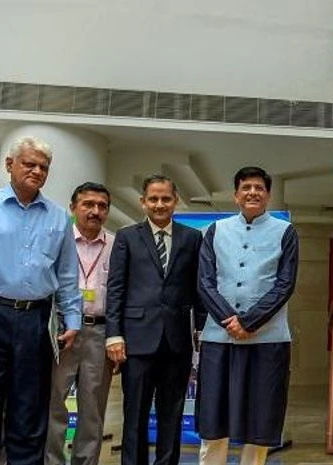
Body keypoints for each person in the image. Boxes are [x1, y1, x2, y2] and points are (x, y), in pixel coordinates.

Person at [0, 136, 82, 465]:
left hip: (35, 320)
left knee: (29, 410)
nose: (37, 171)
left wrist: (72, 318)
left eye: (43, 167)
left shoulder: (59, 217)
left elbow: (67, 274)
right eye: (29, 164)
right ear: (9, 165)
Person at [195, 166, 299, 465]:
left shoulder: (285, 232)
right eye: (246, 187)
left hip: (267, 340)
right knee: (214, 414)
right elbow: (205, 281)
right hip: (219, 338)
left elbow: (285, 284)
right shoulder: (216, 230)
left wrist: (250, 322)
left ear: (268, 195)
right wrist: (230, 321)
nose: (253, 192)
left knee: (260, 417)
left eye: (259, 188)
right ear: (236, 195)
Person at [105, 174, 204, 465]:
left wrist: (201, 328)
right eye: (153, 199)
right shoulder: (126, 237)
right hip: (136, 341)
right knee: (134, 413)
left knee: (171, 414)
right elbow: (116, 288)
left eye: (166, 199)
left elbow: (198, 288)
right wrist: (113, 334)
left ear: (176, 201)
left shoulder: (192, 238)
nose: (160, 204)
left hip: (177, 341)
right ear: (143, 202)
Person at [45, 182, 114, 465]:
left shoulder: (116, 245)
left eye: (102, 206)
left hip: (100, 332)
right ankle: (51, 461)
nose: (95, 211)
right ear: (73, 207)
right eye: (88, 204)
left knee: (93, 409)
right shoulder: (58, 240)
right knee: (53, 403)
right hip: (62, 332)